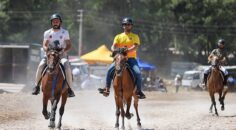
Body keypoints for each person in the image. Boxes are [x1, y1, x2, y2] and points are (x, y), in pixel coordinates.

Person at [98, 17, 146, 99]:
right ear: (123, 26)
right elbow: (114, 46)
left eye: (128, 24)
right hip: (119, 58)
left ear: (131, 26)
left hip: (131, 59)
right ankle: (107, 88)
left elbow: (135, 47)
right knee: (109, 70)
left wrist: (127, 50)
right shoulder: (118, 36)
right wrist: (113, 49)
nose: (126, 26)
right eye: (124, 24)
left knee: (138, 73)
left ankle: (139, 91)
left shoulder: (135, 36)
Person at [32, 13, 75, 97]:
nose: (55, 23)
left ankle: (70, 89)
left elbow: (69, 45)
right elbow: (44, 44)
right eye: (54, 21)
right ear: (51, 23)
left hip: (61, 55)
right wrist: (47, 50)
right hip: (50, 55)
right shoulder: (47, 32)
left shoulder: (65, 32)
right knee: (40, 66)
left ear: (60, 22)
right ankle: (36, 86)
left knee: (67, 67)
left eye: (57, 21)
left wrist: (64, 50)